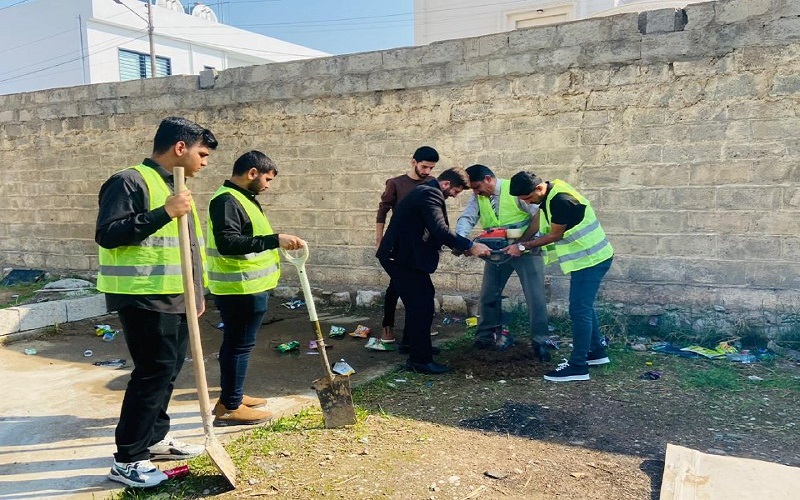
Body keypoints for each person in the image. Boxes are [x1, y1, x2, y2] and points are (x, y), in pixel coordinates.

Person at [96, 116, 217, 488]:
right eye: (202, 153)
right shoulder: (128, 181)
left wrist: (195, 293)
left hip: (176, 296)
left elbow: (188, 249)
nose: (205, 162)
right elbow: (108, 234)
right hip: (144, 296)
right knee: (152, 373)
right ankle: (128, 459)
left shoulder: (175, 187)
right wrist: (164, 212)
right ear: (180, 148)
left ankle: (155, 439)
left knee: (168, 371)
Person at [207, 150, 305, 426]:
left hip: (248, 285)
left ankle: (231, 397)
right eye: (267, 179)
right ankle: (231, 407)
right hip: (239, 287)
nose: (268, 185)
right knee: (239, 346)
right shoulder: (227, 201)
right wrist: (275, 240)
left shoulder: (241, 199)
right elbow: (229, 243)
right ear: (252, 173)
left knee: (238, 345)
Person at [376, 168, 491, 374]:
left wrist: (460, 247)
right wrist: (469, 246)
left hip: (405, 257)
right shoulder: (430, 193)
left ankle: (413, 346)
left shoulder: (425, 191)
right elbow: (439, 229)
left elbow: (432, 230)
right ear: (446, 184)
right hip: (401, 257)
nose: (454, 196)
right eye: (456, 191)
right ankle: (420, 360)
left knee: (421, 301)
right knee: (422, 304)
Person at [507, 171, 614, 382]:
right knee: (585, 307)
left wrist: (523, 246)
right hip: (589, 258)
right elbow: (540, 219)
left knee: (578, 309)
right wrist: (522, 239)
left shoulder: (561, 201)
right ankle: (596, 353)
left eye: (528, 199)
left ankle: (578, 366)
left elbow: (555, 235)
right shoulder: (551, 191)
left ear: (538, 188)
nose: (527, 203)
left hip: (591, 259)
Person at [455, 165, 551, 361]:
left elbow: (539, 216)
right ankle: (484, 337)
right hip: (496, 252)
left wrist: (526, 244)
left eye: (477, 187)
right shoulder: (478, 196)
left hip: (525, 250)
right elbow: (468, 218)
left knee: (535, 297)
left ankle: (540, 342)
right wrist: (460, 239)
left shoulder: (515, 189)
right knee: (488, 294)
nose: (475, 192)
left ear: (489, 179)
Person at [373, 146, 439, 352]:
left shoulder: (431, 183)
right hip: (399, 245)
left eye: (431, 168)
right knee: (397, 287)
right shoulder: (396, 183)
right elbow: (382, 211)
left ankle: (415, 331)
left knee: (412, 288)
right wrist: (379, 238)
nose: (427, 171)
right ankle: (388, 326)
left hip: (420, 246)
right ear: (413, 162)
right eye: (424, 166)